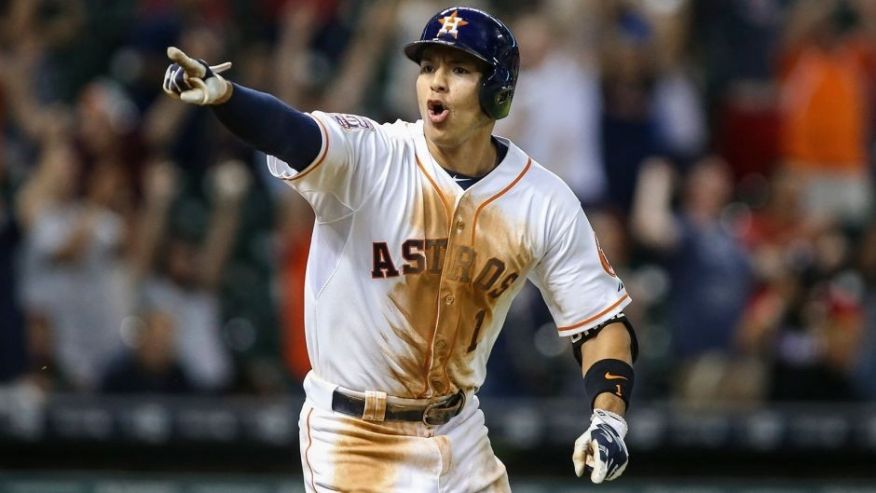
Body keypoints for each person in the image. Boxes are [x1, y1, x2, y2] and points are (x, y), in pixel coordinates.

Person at [162, 6, 637, 491]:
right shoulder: (374, 155)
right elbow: (295, 134)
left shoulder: (543, 199)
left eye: (459, 69)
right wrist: (227, 98)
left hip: (459, 433)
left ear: (498, 90)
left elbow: (601, 322)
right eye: (428, 66)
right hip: (354, 436)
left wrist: (609, 418)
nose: (436, 82)